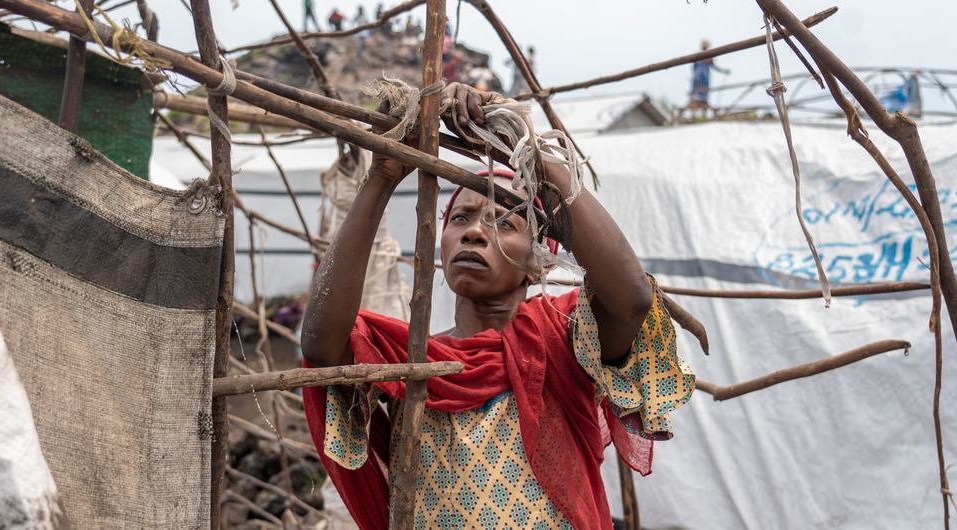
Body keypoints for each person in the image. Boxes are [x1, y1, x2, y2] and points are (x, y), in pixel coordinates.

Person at [301, 83, 694, 529]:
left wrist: (528, 151)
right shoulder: (407, 360)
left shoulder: (562, 338)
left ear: (536, 263)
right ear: (441, 245)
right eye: (461, 219)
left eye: (504, 222)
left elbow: (631, 299)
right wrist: (383, 177)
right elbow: (321, 345)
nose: (473, 232)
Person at [688, 39, 730, 114]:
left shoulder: (710, 56)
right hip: (697, 79)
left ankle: (703, 108)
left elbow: (715, 67)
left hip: (705, 79)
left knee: (703, 97)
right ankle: (695, 107)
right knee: (695, 97)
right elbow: (693, 68)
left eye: (706, 44)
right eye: (703, 44)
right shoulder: (696, 55)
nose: (704, 45)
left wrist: (724, 71)